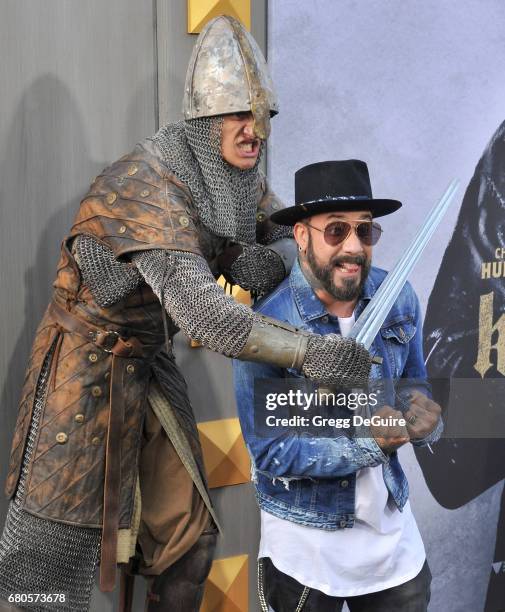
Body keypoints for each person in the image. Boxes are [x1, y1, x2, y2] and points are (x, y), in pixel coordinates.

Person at [0, 17, 372, 612]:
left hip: (147, 365)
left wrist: (330, 254)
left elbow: (286, 244)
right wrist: (312, 352)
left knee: (190, 547)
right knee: (42, 576)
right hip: (83, 372)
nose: (255, 131)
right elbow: (210, 320)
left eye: (264, 117)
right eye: (238, 115)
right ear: (203, 121)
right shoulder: (143, 185)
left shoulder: (234, 177)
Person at [233, 160, 443, 612]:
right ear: (302, 236)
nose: (354, 247)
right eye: (336, 231)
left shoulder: (398, 298)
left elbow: (413, 383)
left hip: (390, 542)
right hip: (305, 549)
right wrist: (368, 442)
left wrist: (419, 409)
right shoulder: (267, 327)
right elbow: (272, 453)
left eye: (365, 232)